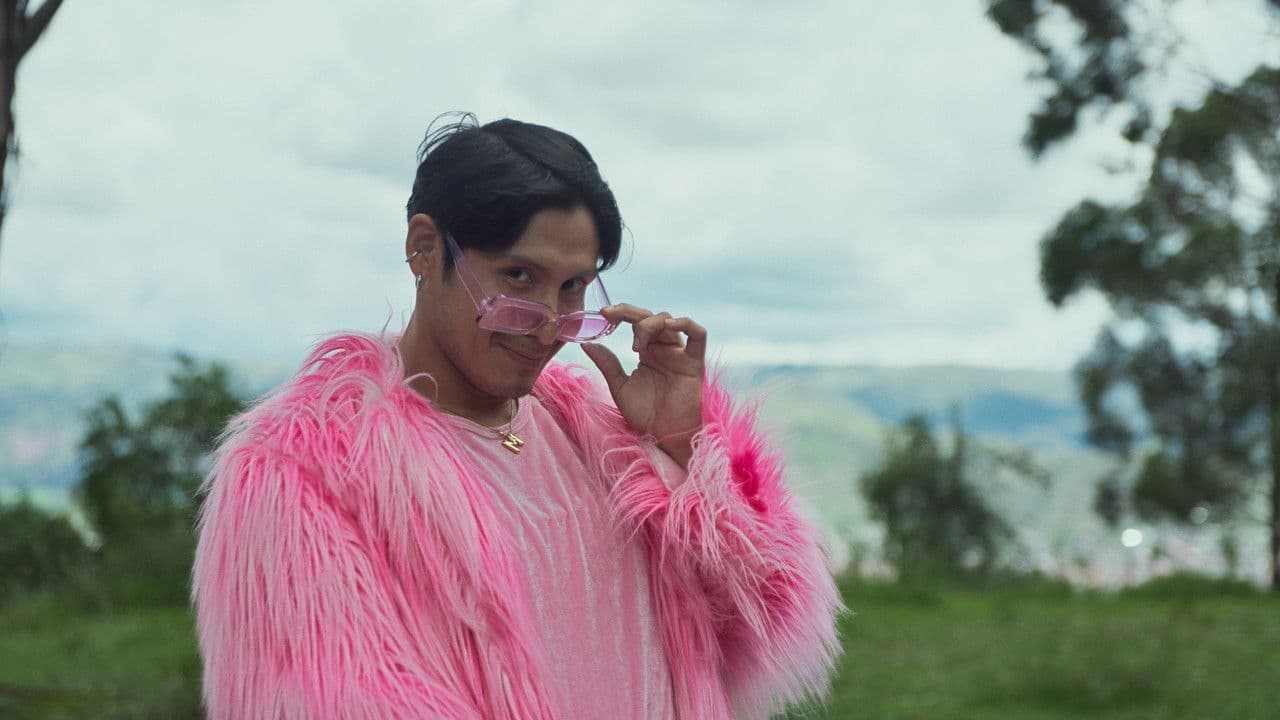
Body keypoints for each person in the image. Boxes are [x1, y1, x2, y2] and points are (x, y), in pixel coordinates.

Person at [191, 114, 841, 719]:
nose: (548, 325)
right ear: (424, 249)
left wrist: (682, 445)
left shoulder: (601, 438)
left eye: (574, 286)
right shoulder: (303, 473)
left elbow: (759, 622)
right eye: (519, 277)